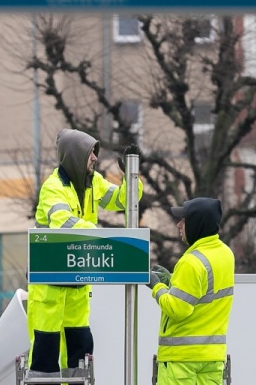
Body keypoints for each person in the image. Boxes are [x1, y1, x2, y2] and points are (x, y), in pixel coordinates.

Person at [26, 128, 143, 378]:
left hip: (77, 282)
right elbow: (63, 222)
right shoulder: (53, 188)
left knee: (80, 351)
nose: (94, 158)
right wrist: (100, 236)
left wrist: (131, 175)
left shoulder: (93, 183)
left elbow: (123, 201)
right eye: (91, 153)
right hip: (50, 287)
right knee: (45, 356)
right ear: (75, 155)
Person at [147, 197, 235, 385]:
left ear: (197, 224)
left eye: (184, 221)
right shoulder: (226, 254)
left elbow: (178, 308)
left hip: (181, 361)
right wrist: (172, 282)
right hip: (212, 358)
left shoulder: (191, 262)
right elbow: (202, 293)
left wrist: (157, 286)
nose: (179, 225)